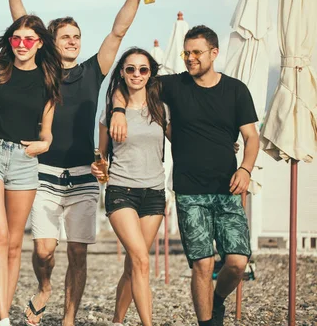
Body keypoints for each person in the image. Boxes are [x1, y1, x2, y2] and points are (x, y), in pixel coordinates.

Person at [0, 0, 163, 326]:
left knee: (77, 253)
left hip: (83, 176)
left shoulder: (93, 71)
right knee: (44, 250)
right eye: (65, 38)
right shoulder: (44, 70)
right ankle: (44, 287)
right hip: (42, 171)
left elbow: (118, 32)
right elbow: (23, 27)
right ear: (51, 44)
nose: (73, 42)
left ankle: (68, 319)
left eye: (76, 37)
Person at [110, 25, 259, 326]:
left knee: (237, 263)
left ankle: (217, 300)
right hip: (189, 191)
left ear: (214, 53)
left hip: (228, 188)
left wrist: (245, 168)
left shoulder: (236, 90)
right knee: (202, 265)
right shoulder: (174, 86)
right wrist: (116, 110)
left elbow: (252, 138)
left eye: (197, 53)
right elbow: (130, 82)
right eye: (186, 53)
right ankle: (208, 323)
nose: (190, 58)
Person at [0, 14, 62, 326]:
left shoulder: (49, 78)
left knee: (13, 243)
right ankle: (2, 318)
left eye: (29, 39)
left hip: (25, 160)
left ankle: (3, 313)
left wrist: (44, 144)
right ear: (10, 40)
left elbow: (47, 132)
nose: (21, 45)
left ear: (39, 44)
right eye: (16, 38)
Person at [92, 48, 168, 326]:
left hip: (154, 194)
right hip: (122, 191)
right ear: (122, 72)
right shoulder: (111, 110)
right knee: (142, 261)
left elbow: (184, 139)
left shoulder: (162, 108)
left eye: (143, 69)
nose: (137, 74)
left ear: (151, 73)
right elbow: (100, 154)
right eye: (130, 69)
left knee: (132, 265)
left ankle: (116, 321)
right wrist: (98, 165)